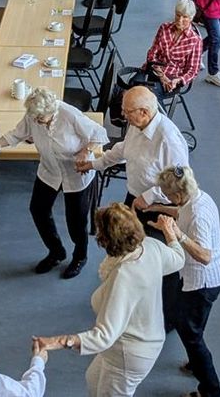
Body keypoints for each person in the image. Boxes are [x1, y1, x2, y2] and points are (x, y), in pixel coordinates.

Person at [34, 203, 185, 396]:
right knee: (93, 378)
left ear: (105, 240)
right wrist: (169, 231)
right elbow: (178, 258)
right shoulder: (149, 246)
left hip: (129, 353)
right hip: (136, 339)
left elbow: (104, 336)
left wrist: (56, 342)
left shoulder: (125, 276)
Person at [77, 86, 189, 329]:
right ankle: (124, 295)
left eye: (128, 112)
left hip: (159, 206)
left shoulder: (168, 139)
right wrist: (95, 164)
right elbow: (122, 151)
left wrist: (149, 196)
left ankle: (167, 317)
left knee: (162, 262)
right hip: (135, 199)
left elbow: (181, 180)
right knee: (126, 249)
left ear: (145, 112)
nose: (123, 115)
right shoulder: (137, 125)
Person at [0, 87, 109, 279]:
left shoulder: (69, 115)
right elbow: (16, 134)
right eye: (35, 118)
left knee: (76, 224)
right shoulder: (33, 115)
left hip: (75, 174)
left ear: (51, 111)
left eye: (40, 119)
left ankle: (80, 257)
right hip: (49, 171)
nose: (36, 122)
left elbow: (100, 133)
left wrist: (85, 150)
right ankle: (56, 252)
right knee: (38, 210)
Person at [146, 166, 220, 397]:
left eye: (168, 196)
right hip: (205, 278)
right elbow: (181, 211)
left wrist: (176, 234)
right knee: (190, 322)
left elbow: (205, 256)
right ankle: (196, 362)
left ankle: (210, 390)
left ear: (179, 195)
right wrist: (157, 209)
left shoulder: (199, 215)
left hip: (203, 282)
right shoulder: (197, 197)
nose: (167, 199)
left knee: (191, 334)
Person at [143, 0, 203, 98]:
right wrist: (162, 76)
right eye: (178, 15)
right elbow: (151, 54)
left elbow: (192, 70)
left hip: (173, 77)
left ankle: (159, 113)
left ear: (191, 18)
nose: (180, 20)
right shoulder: (164, 28)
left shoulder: (195, 40)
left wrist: (178, 80)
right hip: (153, 70)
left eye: (185, 17)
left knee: (148, 97)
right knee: (129, 89)